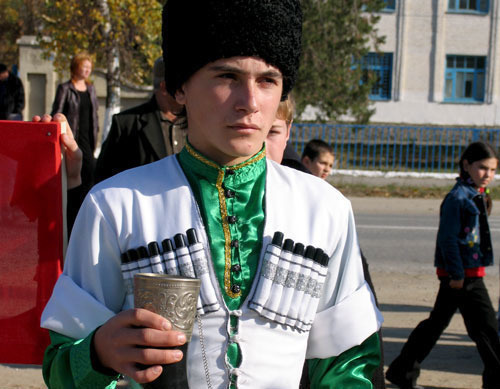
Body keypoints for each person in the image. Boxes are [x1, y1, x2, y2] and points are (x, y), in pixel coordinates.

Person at [40, 1, 382, 387]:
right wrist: (99, 353)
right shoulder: (116, 205)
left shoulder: (324, 208)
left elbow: (350, 364)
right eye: (227, 76)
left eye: (267, 80)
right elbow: (60, 365)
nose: (249, 102)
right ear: (179, 87)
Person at [386, 141, 500, 389]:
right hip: (462, 276)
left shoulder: (476, 194)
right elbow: (448, 240)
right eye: (482, 168)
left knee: (437, 326)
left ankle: (402, 371)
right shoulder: (457, 198)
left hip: (465, 273)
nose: (488, 175)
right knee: (488, 330)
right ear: (466, 165)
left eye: (492, 170)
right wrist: (457, 274)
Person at [95, 57, 184, 183]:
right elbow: (105, 180)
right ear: (164, 87)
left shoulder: (198, 122)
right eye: (182, 86)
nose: (189, 90)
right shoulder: (127, 124)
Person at [51, 52, 99, 233]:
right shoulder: (65, 88)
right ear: (75, 67)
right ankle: (73, 219)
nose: (87, 70)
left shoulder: (91, 89)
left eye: (89, 67)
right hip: (73, 138)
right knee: (73, 180)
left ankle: (86, 216)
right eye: (84, 66)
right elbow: (57, 112)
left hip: (88, 139)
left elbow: (94, 115)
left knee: (88, 176)